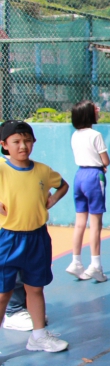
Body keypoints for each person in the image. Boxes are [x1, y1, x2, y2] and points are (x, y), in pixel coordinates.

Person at [0, 120, 70, 352]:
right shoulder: (2, 169)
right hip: (8, 239)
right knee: (3, 293)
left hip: (37, 238)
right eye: (16, 142)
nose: (23, 146)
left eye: (27, 141)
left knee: (35, 288)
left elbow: (63, 185)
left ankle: (38, 337)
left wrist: (53, 199)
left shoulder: (42, 170)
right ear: (4, 145)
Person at [66, 100, 110, 283]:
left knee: (80, 222)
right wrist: (102, 165)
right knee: (96, 223)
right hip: (94, 177)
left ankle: (76, 261)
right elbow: (105, 160)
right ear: (88, 114)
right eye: (94, 108)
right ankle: (96, 265)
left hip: (79, 176)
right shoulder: (95, 135)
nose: (98, 109)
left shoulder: (75, 135)